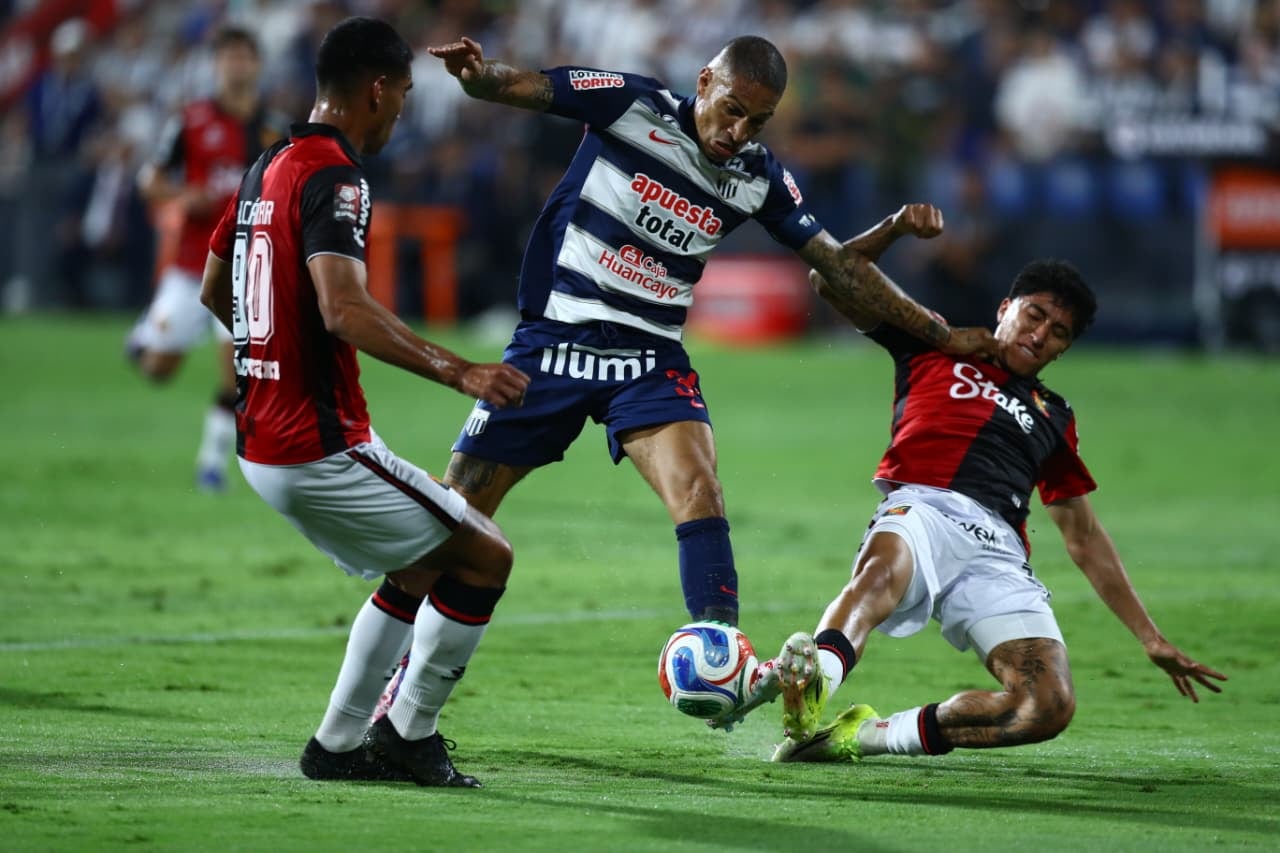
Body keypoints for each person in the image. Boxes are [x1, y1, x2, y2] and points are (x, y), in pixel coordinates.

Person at [421, 34, 997, 727]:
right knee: (454, 517)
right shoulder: (632, 106)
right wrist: (478, 76)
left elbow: (836, 266)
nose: (739, 131)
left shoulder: (758, 175)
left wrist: (933, 324)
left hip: (649, 356)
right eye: (731, 110)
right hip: (551, 343)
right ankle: (403, 681)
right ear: (703, 82)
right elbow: (523, 87)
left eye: (758, 121)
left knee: (700, 490)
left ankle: (721, 652)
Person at [762, 210, 1225, 762]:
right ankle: (813, 688)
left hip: (998, 552)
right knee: (880, 575)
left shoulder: (1055, 414)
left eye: (1058, 334)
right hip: (924, 507)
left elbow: (1082, 534)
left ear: (1063, 351)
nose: (1040, 334)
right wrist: (895, 227)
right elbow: (829, 277)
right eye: (1035, 315)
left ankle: (855, 738)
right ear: (1006, 308)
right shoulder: (936, 341)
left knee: (1046, 706)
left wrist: (1150, 638)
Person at [199, 16, 530, 787]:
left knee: (420, 565)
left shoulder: (265, 166)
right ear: (376, 90)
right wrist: (460, 371)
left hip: (265, 438)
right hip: (317, 446)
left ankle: (338, 743)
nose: (403, 113)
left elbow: (218, 287)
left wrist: (267, 354)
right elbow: (343, 309)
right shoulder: (335, 175)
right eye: (405, 95)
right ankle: (409, 734)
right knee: (486, 554)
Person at [130, 25, 287, 492]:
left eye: (244, 57)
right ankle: (144, 334)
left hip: (246, 267)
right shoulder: (191, 120)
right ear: (217, 65)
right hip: (192, 262)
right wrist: (182, 194)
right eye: (228, 57)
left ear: (257, 65)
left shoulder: (275, 127)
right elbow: (148, 179)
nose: (237, 66)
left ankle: (211, 464)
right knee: (159, 369)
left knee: (237, 372)